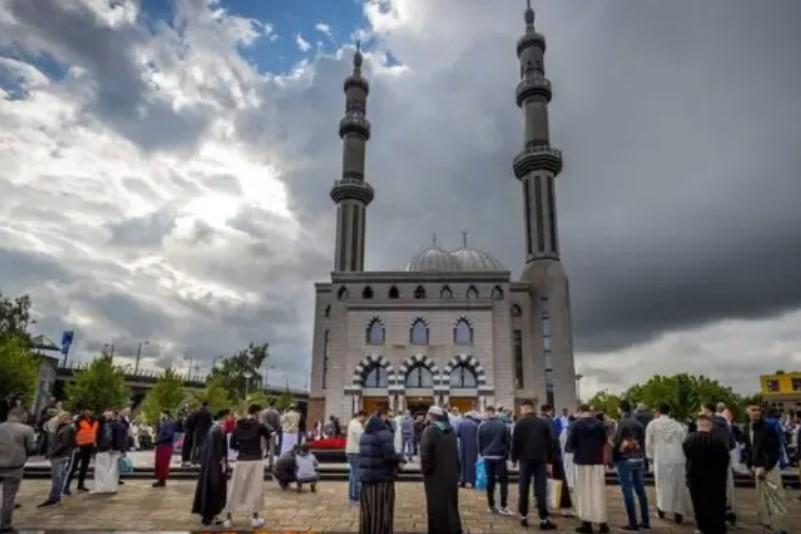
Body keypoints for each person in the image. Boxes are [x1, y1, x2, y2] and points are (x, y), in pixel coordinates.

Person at [511, 400, 558, 530]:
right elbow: (550, 443)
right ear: (532, 408)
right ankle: (543, 519)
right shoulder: (543, 423)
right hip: (540, 460)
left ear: (524, 409)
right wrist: (549, 460)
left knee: (523, 489)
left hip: (525, 460)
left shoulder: (519, 423)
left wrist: (514, 459)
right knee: (540, 490)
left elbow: (515, 443)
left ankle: (524, 517)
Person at [223, 404, 270, 529]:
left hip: (241, 459)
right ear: (257, 413)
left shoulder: (238, 426)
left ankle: (228, 518)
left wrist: (242, 447)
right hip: (255, 459)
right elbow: (268, 436)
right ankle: (254, 519)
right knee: (255, 489)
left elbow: (232, 444)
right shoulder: (259, 426)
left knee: (235, 488)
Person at [743, 404, 787, 534]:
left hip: (770, 468)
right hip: (757, 467)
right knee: (762, 499)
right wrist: (749, 465)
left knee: (776, 498)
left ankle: (781, 528)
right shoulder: (747, 428)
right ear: (747, 413)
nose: (756, 412)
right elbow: (749, 448)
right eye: (753, 410)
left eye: (758, 410)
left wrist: (766, 468)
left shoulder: (768, 427)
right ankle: (767, 526)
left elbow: (775, 450)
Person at [684, 413, 730, 534]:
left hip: (696, 478)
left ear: (698, 425)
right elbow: (725, 459)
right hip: (716, 480)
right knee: (717, 505)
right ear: (710, 426)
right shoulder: (719, 442)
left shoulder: (690, 439)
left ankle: (702, 527)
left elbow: (687, 454)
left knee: (699, 505)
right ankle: (718, 528)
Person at [359, 405, 402, 534]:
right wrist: (400, 458)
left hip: (367, 478)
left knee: (368, 511)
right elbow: (389, 456)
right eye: (388, 417)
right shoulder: (384, 432)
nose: (390, 420)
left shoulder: (365, 432)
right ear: (382, 416)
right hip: (382, 479)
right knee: (382, 511)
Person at [568, 405, 610, 534]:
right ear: (590, 412)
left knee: (584, 493)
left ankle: (587, 523)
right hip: (597, 461)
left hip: (581, 461)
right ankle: (603, 523)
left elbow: (570, 444)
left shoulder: (575, 425)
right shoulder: (600, 425)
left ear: (580, 412)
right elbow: (604, 441)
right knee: (598, 492)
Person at [420, 406, 462, 534]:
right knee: (451, 503)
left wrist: (426, 471)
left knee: (436, 504)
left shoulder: (429, 431)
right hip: (450, 474)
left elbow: (425, 455)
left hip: (434, 476)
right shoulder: (452, 431)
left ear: (432, 416)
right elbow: (456, 454)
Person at [645, 403, 688, 524]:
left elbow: (648, 443)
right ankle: (678, 513)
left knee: (661, 486)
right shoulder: (679, 426)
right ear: (670, 412)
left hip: (661, 458)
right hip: (677, 459)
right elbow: (684, 441)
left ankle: (661, 510)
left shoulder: (652, 425)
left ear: (658, 411)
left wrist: (651, 456)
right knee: (677, 486)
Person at [612, 400, 649, 531]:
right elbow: (643, 441)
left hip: (625, 459)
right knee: (640, 490)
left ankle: (632, 522)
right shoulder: (638, 423)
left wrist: (613, 456)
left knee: (627, 491)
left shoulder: (623, 423)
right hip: (638, 458)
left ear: (621, 409)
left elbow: (617, 441)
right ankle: (645, 521)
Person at [701, 402, 737, 527]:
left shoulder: (707, 424)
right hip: (725, 458)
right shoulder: (725, 423)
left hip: (711, 460)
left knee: (712, 490)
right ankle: (728, 513)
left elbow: (702, 442)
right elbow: (732, 443)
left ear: (707, 410)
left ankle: (715, 519)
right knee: (726, 487)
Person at [0, 407, 35, 533]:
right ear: (21, 416)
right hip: (14, 466)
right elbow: (32, 448)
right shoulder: (27, 429)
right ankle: (5, 525)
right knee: (8, 498)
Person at [192, 409, 229, 526]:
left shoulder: (212, 429)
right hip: (215, 466)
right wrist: (223, 462)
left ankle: (210, 514)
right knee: (214, 489)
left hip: (209, 464)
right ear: (225, 416)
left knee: (209, 488)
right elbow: (219, 450)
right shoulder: (218, 430)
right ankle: (210, 515)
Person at [477, 406, 512, 516]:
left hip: (487, 457)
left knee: (490, 481)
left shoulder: (482, 426)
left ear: (488, 413)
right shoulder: (502, 425)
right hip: (499, 456)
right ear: (494, 412)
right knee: (503, 482)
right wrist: (506, 454)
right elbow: (507, 442)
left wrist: (483, 453)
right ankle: (503, 506)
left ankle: (491, 505)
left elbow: (479, 442)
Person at [38, 411, 75, 507]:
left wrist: (52, 453)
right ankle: (56, 498)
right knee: (60, 477)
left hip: (59, 456)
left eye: (59, 417)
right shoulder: (65, 428)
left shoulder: (67, 429)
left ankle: (54, 498)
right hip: (62, 455)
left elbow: (64, 443)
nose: (57, 419)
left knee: (57, 478)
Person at [542, 404, 573, 517]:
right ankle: (565, 507)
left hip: (543, 457)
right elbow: (553, 439)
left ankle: (544, 505)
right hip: (553, 457)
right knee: (561, 481)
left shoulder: (540, 421)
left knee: (544, 482)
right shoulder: (549, 421)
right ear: (549, 411)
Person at [64, 409, 97, 494]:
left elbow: (95, 433)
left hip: (89, 447)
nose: (88, 412)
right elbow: (72, 434)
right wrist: (75, 445)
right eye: (87, 410)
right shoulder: (77, 421)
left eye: (90, 410)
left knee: (84, 467)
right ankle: (66, 486)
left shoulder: (95, 421)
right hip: (79, 447)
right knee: (73, 467)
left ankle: (80, 484)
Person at [93, 410, 125, 494]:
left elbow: (107, 437)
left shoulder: (106, 426)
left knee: (102, 469)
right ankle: (111, 487)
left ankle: (101, 487)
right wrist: (122, 450)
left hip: (105, 449)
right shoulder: (118, 425)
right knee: (112, 470)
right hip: (113, 449)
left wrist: (109, 446)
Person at [346, 410, 367, 504]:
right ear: (361, 416)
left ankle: (352, 496)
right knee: (356, 475)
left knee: (352, 474)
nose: (365, 420)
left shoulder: (352, 423)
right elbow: (361, 438)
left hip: (352, 451)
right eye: (364, 418)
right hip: (355, 451)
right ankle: (355, 496)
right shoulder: (356, 425)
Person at [153, 410, 176, 487]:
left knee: (163, 464)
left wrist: (158, 441)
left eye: (162, 414)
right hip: (162, 445)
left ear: (166, 415)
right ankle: (161, 480)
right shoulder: (164, 423)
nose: (161, 416)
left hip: (166, 446)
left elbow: (169, 435)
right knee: (160, 463)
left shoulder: (169, 423)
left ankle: (162, 480)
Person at [457, 411, 479, 488]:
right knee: (472, 463)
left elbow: (458, 434)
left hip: (463, 446)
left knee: (462, 462)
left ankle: (462, 480)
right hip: (473, 447)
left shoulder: (461, 423)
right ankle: (471, 481)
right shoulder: (475, 424)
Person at [260, 403, 281, 468]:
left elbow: (262, 422)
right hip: (272, 432)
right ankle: (270, 463)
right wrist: (275, 429)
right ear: (274, 405)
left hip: (263, 431)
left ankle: (260, 461)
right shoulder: (276, 412)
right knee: (272, 447)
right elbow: (278, 423)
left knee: (262, 446)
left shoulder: (263, 412)